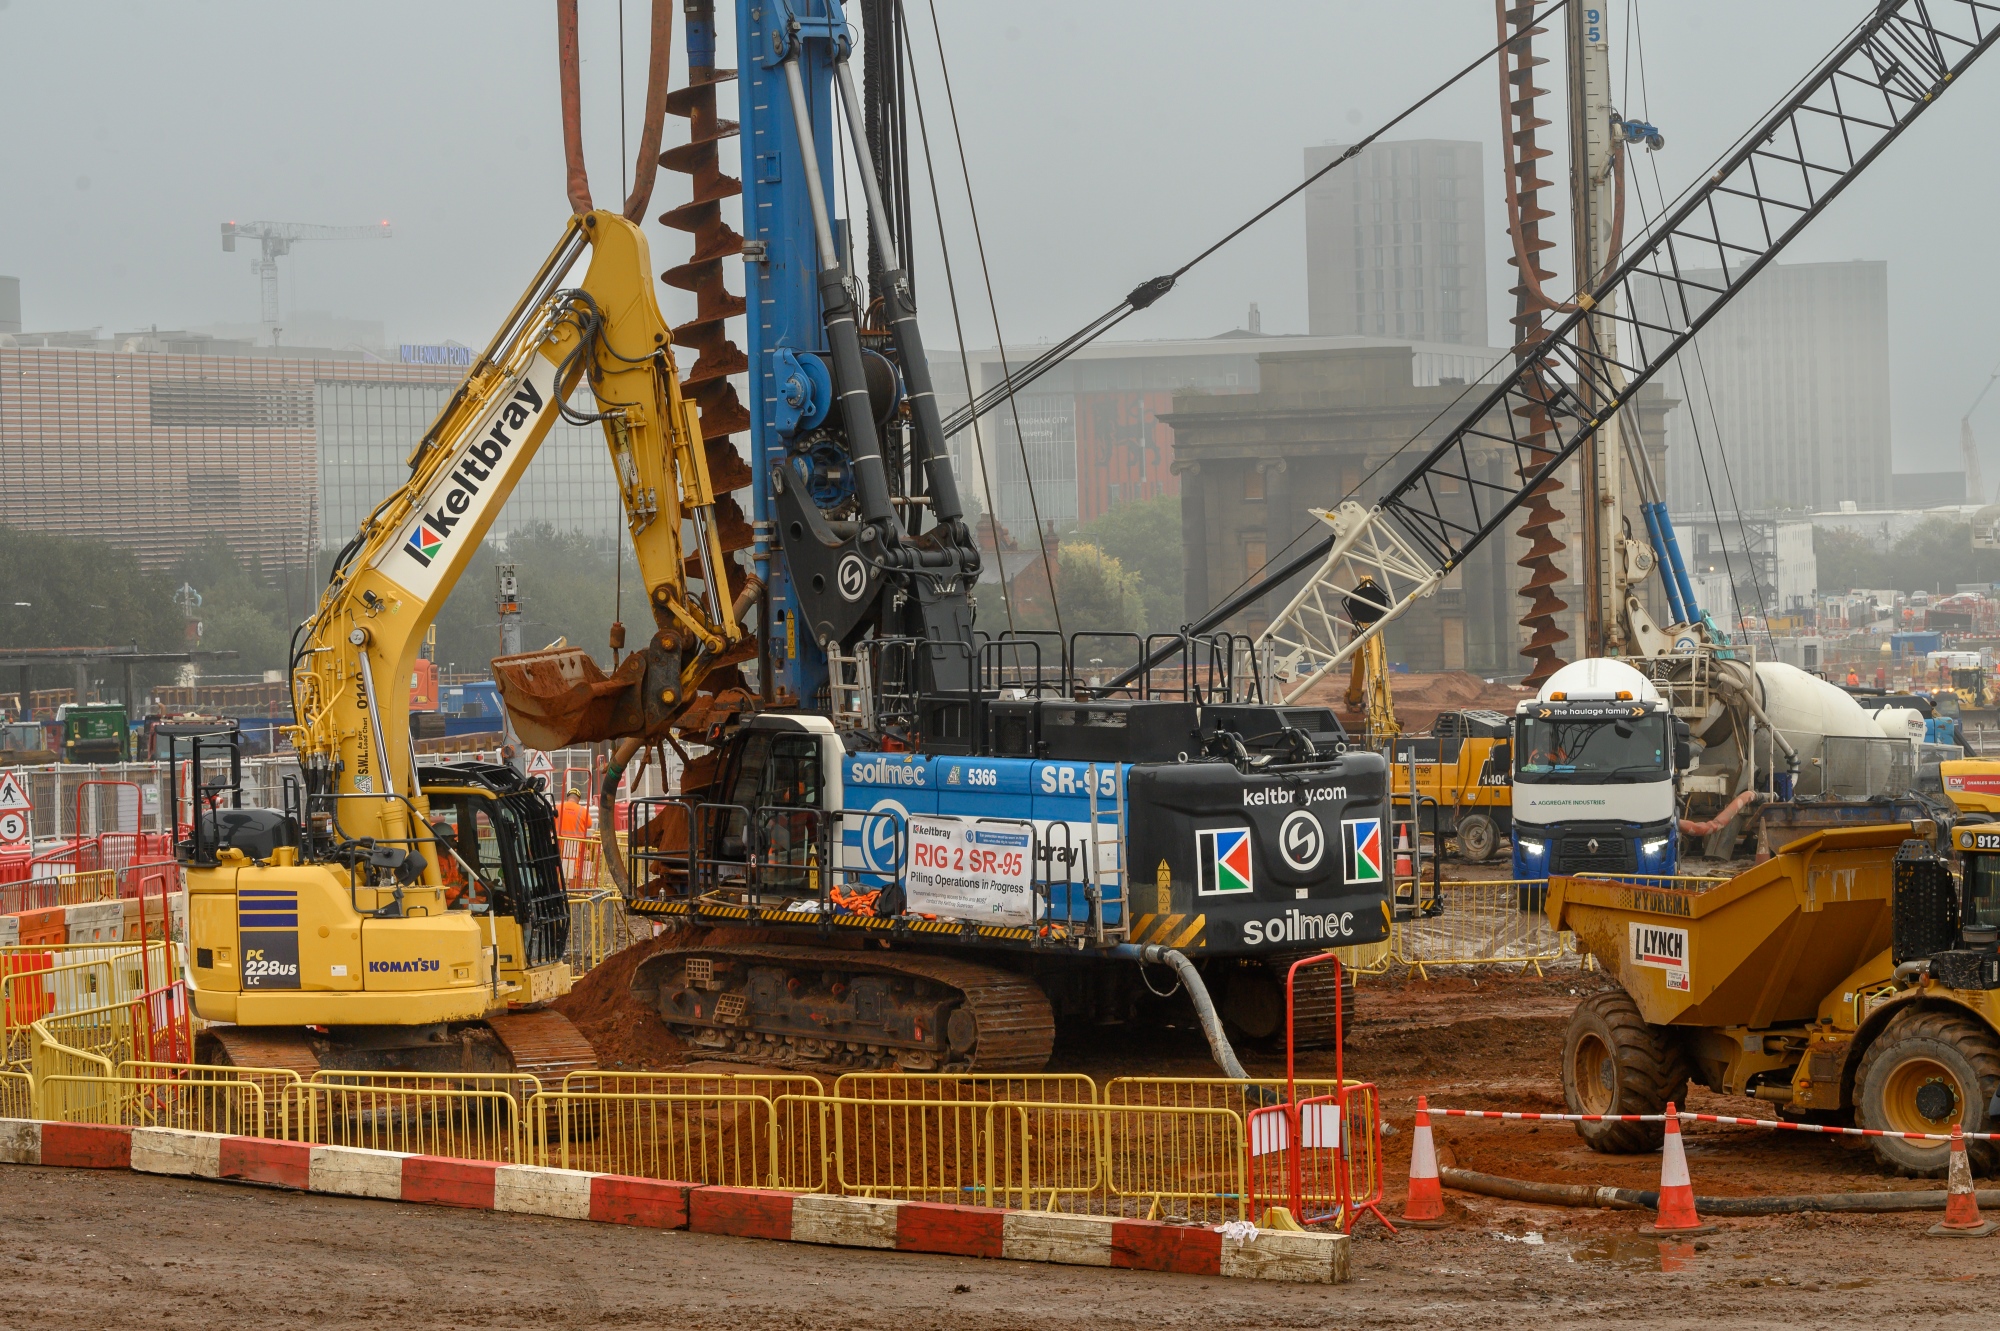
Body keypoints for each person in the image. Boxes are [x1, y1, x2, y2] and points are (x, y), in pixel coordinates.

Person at [557, 787, 590, 887]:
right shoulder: (582, 810)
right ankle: (573, 892)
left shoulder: (558, 807)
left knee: (559, 867)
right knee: (574, 869)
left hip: (559, 843)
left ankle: (559, 892)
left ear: (568, 797)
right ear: (578, 799)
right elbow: (589, 824)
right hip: (574, 845)